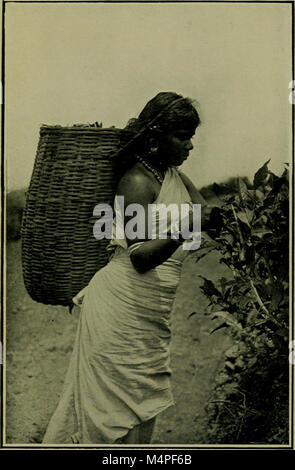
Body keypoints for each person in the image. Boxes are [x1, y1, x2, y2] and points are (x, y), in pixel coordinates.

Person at [42, 91, 213, 445]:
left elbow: (203, 213)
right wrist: (187, 226)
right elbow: (139, 257)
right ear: (154, 139)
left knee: (138, 408)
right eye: (183, 137)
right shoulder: (135, 182)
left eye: (191, 136)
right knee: (113, 412)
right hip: (121, 306)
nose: (190, 145)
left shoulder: (173, 177)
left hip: (149, 313)